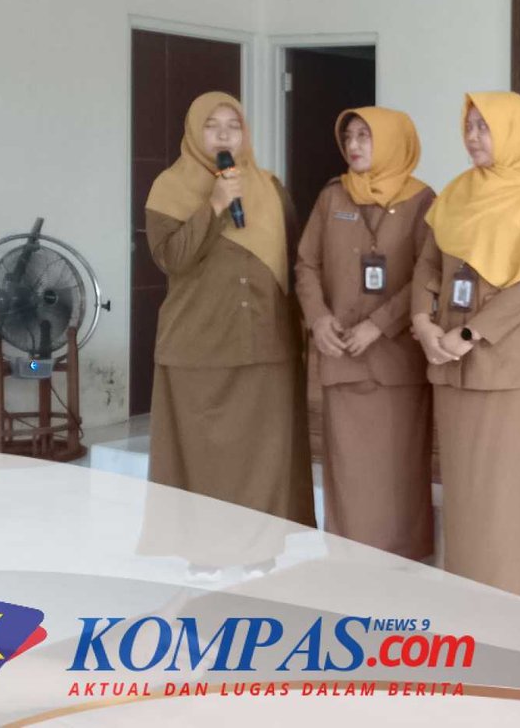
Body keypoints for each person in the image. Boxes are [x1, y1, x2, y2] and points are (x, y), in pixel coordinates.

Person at [142, 91, 315, 573]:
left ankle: (261, 547)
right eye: (212, 126)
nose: (223, 135)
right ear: (194, 132)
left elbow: (296, 262)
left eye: (233, 126)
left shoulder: (271, 188)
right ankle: (206, 551)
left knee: (264, 457)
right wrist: (215, 204)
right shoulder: (169, 188)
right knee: (205, 458)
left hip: (267, 343)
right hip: (198, 343)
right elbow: (172, 258)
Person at [411, 91, 520, 601]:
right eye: (470, 126)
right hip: (451, 361)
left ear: (515, 131)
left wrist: (469, 333)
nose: (474, 136)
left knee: (512, 487)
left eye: (486, 126)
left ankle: (518, 596)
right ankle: (467, 592)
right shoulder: (457, 192)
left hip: (514, 366)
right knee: (465, 488)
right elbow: (429, 265)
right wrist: (422, 322)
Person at [295, 107, 436, 561]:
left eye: (365, 136)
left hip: (396, 360)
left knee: (397, 467)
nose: (354, 145)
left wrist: (379, 324)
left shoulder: (422, 200)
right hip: (341, 354)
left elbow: (427, 275)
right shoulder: (332, 196)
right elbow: (306, 264)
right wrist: (318, 318)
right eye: (349, 136)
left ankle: (401, 561)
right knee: (348, 467)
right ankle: (347, 559)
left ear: (392, 141)